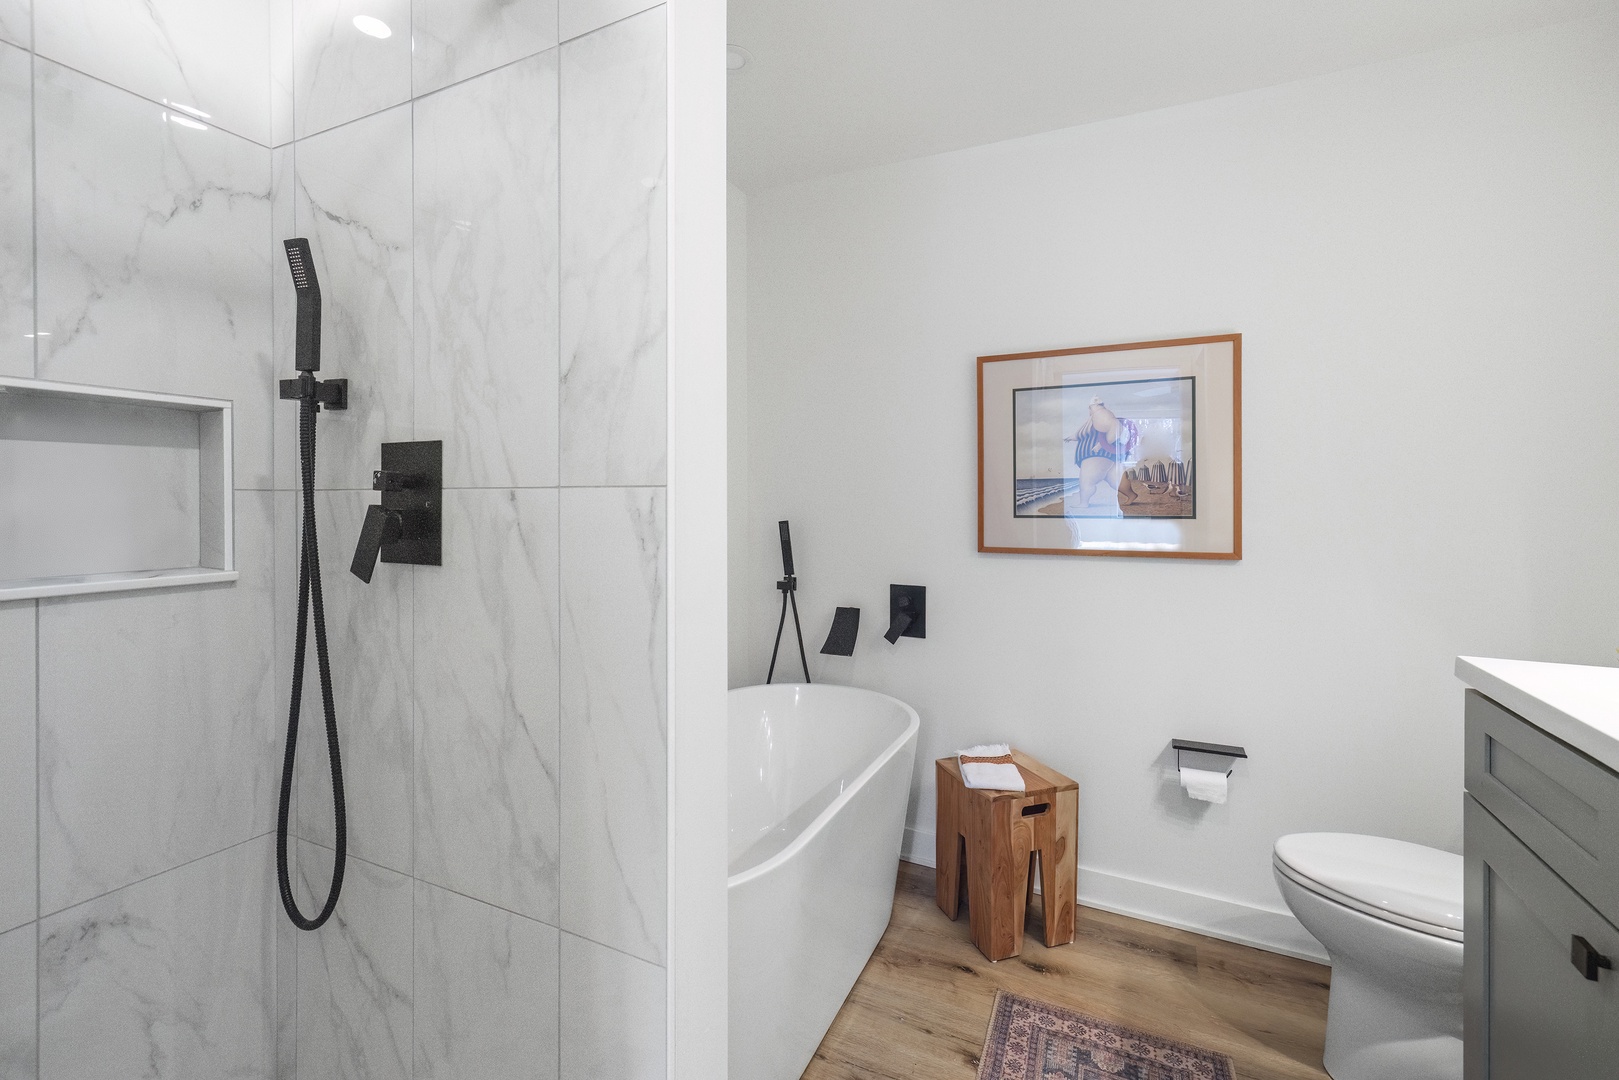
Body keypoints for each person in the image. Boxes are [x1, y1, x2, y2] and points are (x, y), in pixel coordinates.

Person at [1062, 397, 1139, 511]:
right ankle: (1131, 495)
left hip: (1097, 455)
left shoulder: (1101, 414)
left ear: (1094, 406)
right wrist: (1071, 438)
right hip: (1106, 456)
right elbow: (1083, 433)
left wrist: (1101, 445)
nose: (1089, 409)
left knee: (1086, 479)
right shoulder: (1097, 416)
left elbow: (1116, 427)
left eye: (1090, 407)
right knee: (1115, 479)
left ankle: (1084, 503)